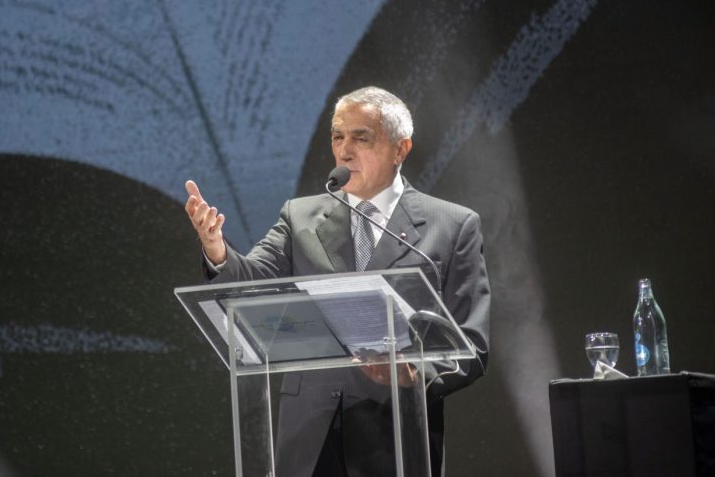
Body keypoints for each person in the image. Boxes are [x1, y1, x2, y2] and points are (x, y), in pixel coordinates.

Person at [185, 86, 490, 477]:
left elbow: (471, 344)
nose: (344, 151)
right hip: (309, 437)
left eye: (361, 138)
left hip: (393, 437)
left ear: (400, 149)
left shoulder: (452, 226)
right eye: (337, 137)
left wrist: (412, 375)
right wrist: (217, 250)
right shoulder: (300, 217)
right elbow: (251, 282)